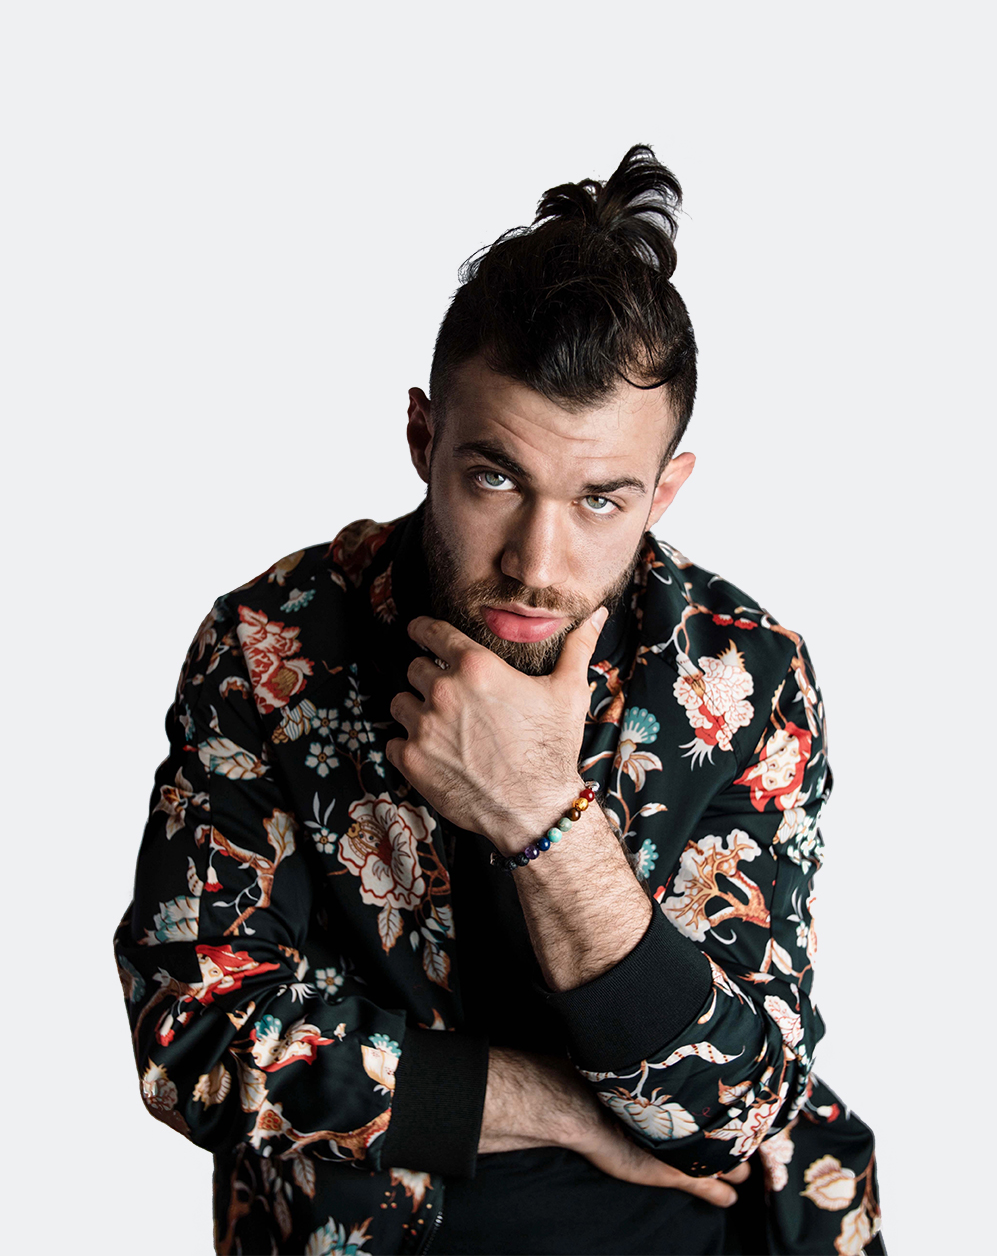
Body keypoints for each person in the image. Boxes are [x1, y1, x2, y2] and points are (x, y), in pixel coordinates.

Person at [114, 146, 883, 1256]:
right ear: (423, 439)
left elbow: (734, 1109)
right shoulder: (272, 647)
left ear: (664, 489)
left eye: (601, 499)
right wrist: (554, 1105)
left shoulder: (742, 677)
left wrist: (537, 815)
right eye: (495, 478)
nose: (536, 561)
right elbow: (190, 1037)